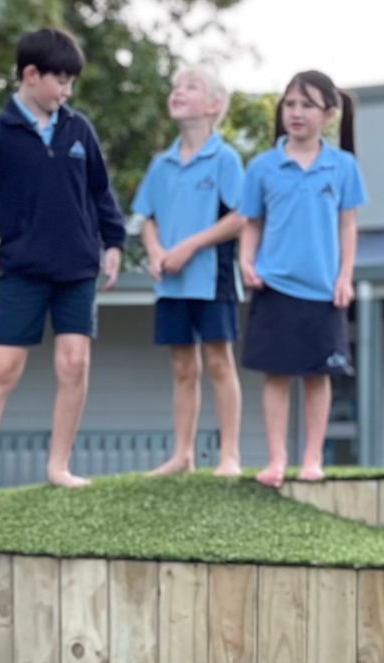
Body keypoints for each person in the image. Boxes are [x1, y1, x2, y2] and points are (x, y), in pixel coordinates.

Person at [0, 26, 126, 505]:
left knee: (74, 362)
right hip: (22, 268)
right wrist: (3, 209)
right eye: (60, 81)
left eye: (71, 83)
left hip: (77, 266)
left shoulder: (79, 130)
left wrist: (114, 242)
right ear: (31, 75)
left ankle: (58, 466)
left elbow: (100, 191)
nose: (66, 91)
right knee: (2, 367)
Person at [237, 69, 367, 486]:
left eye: (307, 105)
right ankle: (276, 460)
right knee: (276, 375)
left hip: (324, 291)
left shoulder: (343, 166)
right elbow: (251, 222)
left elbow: (347, 225)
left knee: (317, 376)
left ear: (328, 114)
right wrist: (246, 262)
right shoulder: (262, 166)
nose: (296, 113)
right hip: (274, 285)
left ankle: (312, 459)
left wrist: (344, 277)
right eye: (290, 104)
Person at [131, 64, 246, 478]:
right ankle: (182, 455)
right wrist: (156, 250)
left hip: (212, 279)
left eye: (191, 87)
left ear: (213, 105)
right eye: (176, 86)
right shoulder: (160, 164)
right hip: (171, 285)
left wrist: (189, 246)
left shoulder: (225, 158)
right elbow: (146, 217)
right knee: (182, 367)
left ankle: (229, 455)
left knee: (218, 361)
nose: (178, 92)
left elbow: (241, 216)